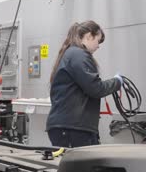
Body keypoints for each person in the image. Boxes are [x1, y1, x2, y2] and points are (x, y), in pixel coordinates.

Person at [47, 20, 122, 148]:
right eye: (98, 41)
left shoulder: (71, 54)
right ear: (88, 36)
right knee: (80, 167)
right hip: (73, 128)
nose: (98, 46)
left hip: (69, 127)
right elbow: (95, 88)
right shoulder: (79, 55)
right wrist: (117, 82)